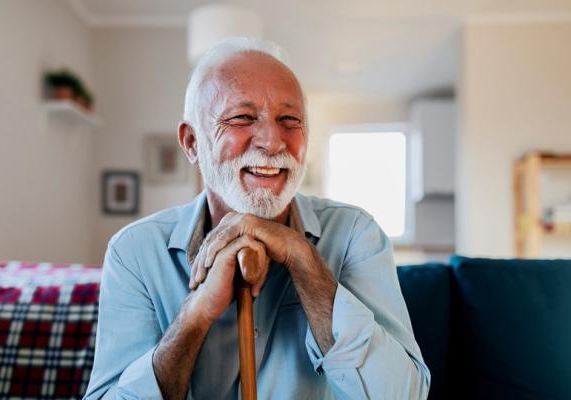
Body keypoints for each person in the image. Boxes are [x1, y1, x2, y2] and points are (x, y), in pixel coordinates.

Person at [84, 38, 430, 400]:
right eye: (242, 118)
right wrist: (195, 316)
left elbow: (403, 395)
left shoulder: (356, 235)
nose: (272, 141)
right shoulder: (135, 251)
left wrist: (303, 260)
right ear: (191, 143)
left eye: (289, 120)